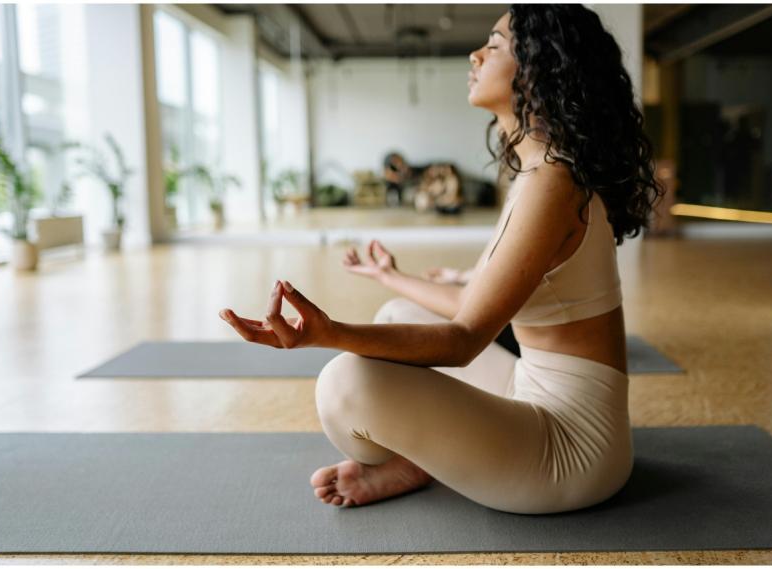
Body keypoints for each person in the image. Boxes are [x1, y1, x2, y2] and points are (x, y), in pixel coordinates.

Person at [220, 5, 664, 514]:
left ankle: (422, 457)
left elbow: (462, 341)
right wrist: (391, 277)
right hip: (533, 391)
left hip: (572, 451)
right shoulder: (542, 171)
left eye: (494, 46)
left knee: (346, 383)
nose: (475, 54)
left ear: (541, 69)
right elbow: (471, 303)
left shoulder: (552, 183)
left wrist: (325, 333)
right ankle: (423, 458)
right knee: (396, 315)